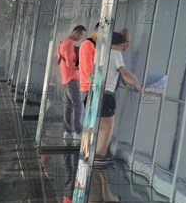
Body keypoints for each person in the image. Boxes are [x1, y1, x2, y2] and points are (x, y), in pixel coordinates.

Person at [95, 32, 141, 164]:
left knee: (98, 125)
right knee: (107, 126)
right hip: (106, 95)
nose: (124, 48)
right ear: (120, 44)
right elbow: (124, 73)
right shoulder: (116, 54)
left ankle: (93, 154)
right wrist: (137, 83)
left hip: (94, 92)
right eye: (124, 45)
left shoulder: (101, 52)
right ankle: (100, 156)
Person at [58, 25, 86, 140]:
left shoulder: (62, 43)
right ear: (76, 32)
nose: (80, 38)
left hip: (65, 78)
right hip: (71, 79)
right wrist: (83, 66)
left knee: (68, 106)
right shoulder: (69, 43)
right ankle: (77, 131)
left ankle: (68, 131)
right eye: (81, 35)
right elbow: (71, 64)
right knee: (78, 104)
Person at [79, 22, 99, 106]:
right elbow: (88, 70)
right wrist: (94, 88)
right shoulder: (88, 44)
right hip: (88, 89)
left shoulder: (90, 44)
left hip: (88, 88)